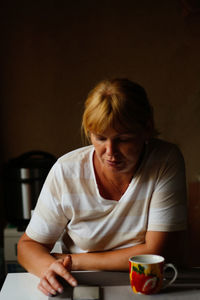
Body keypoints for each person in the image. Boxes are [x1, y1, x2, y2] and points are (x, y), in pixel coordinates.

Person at [17, 78, 187, 297]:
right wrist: (47, 269)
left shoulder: (165, 161)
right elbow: (28, 246)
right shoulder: (66, 171)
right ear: (89, 132)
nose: (110, 152)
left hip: (147, 288)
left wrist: (73, 261)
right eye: (100, 138)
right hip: (82, 287)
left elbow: (157, 251)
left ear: (147, 128)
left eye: (123, 139)